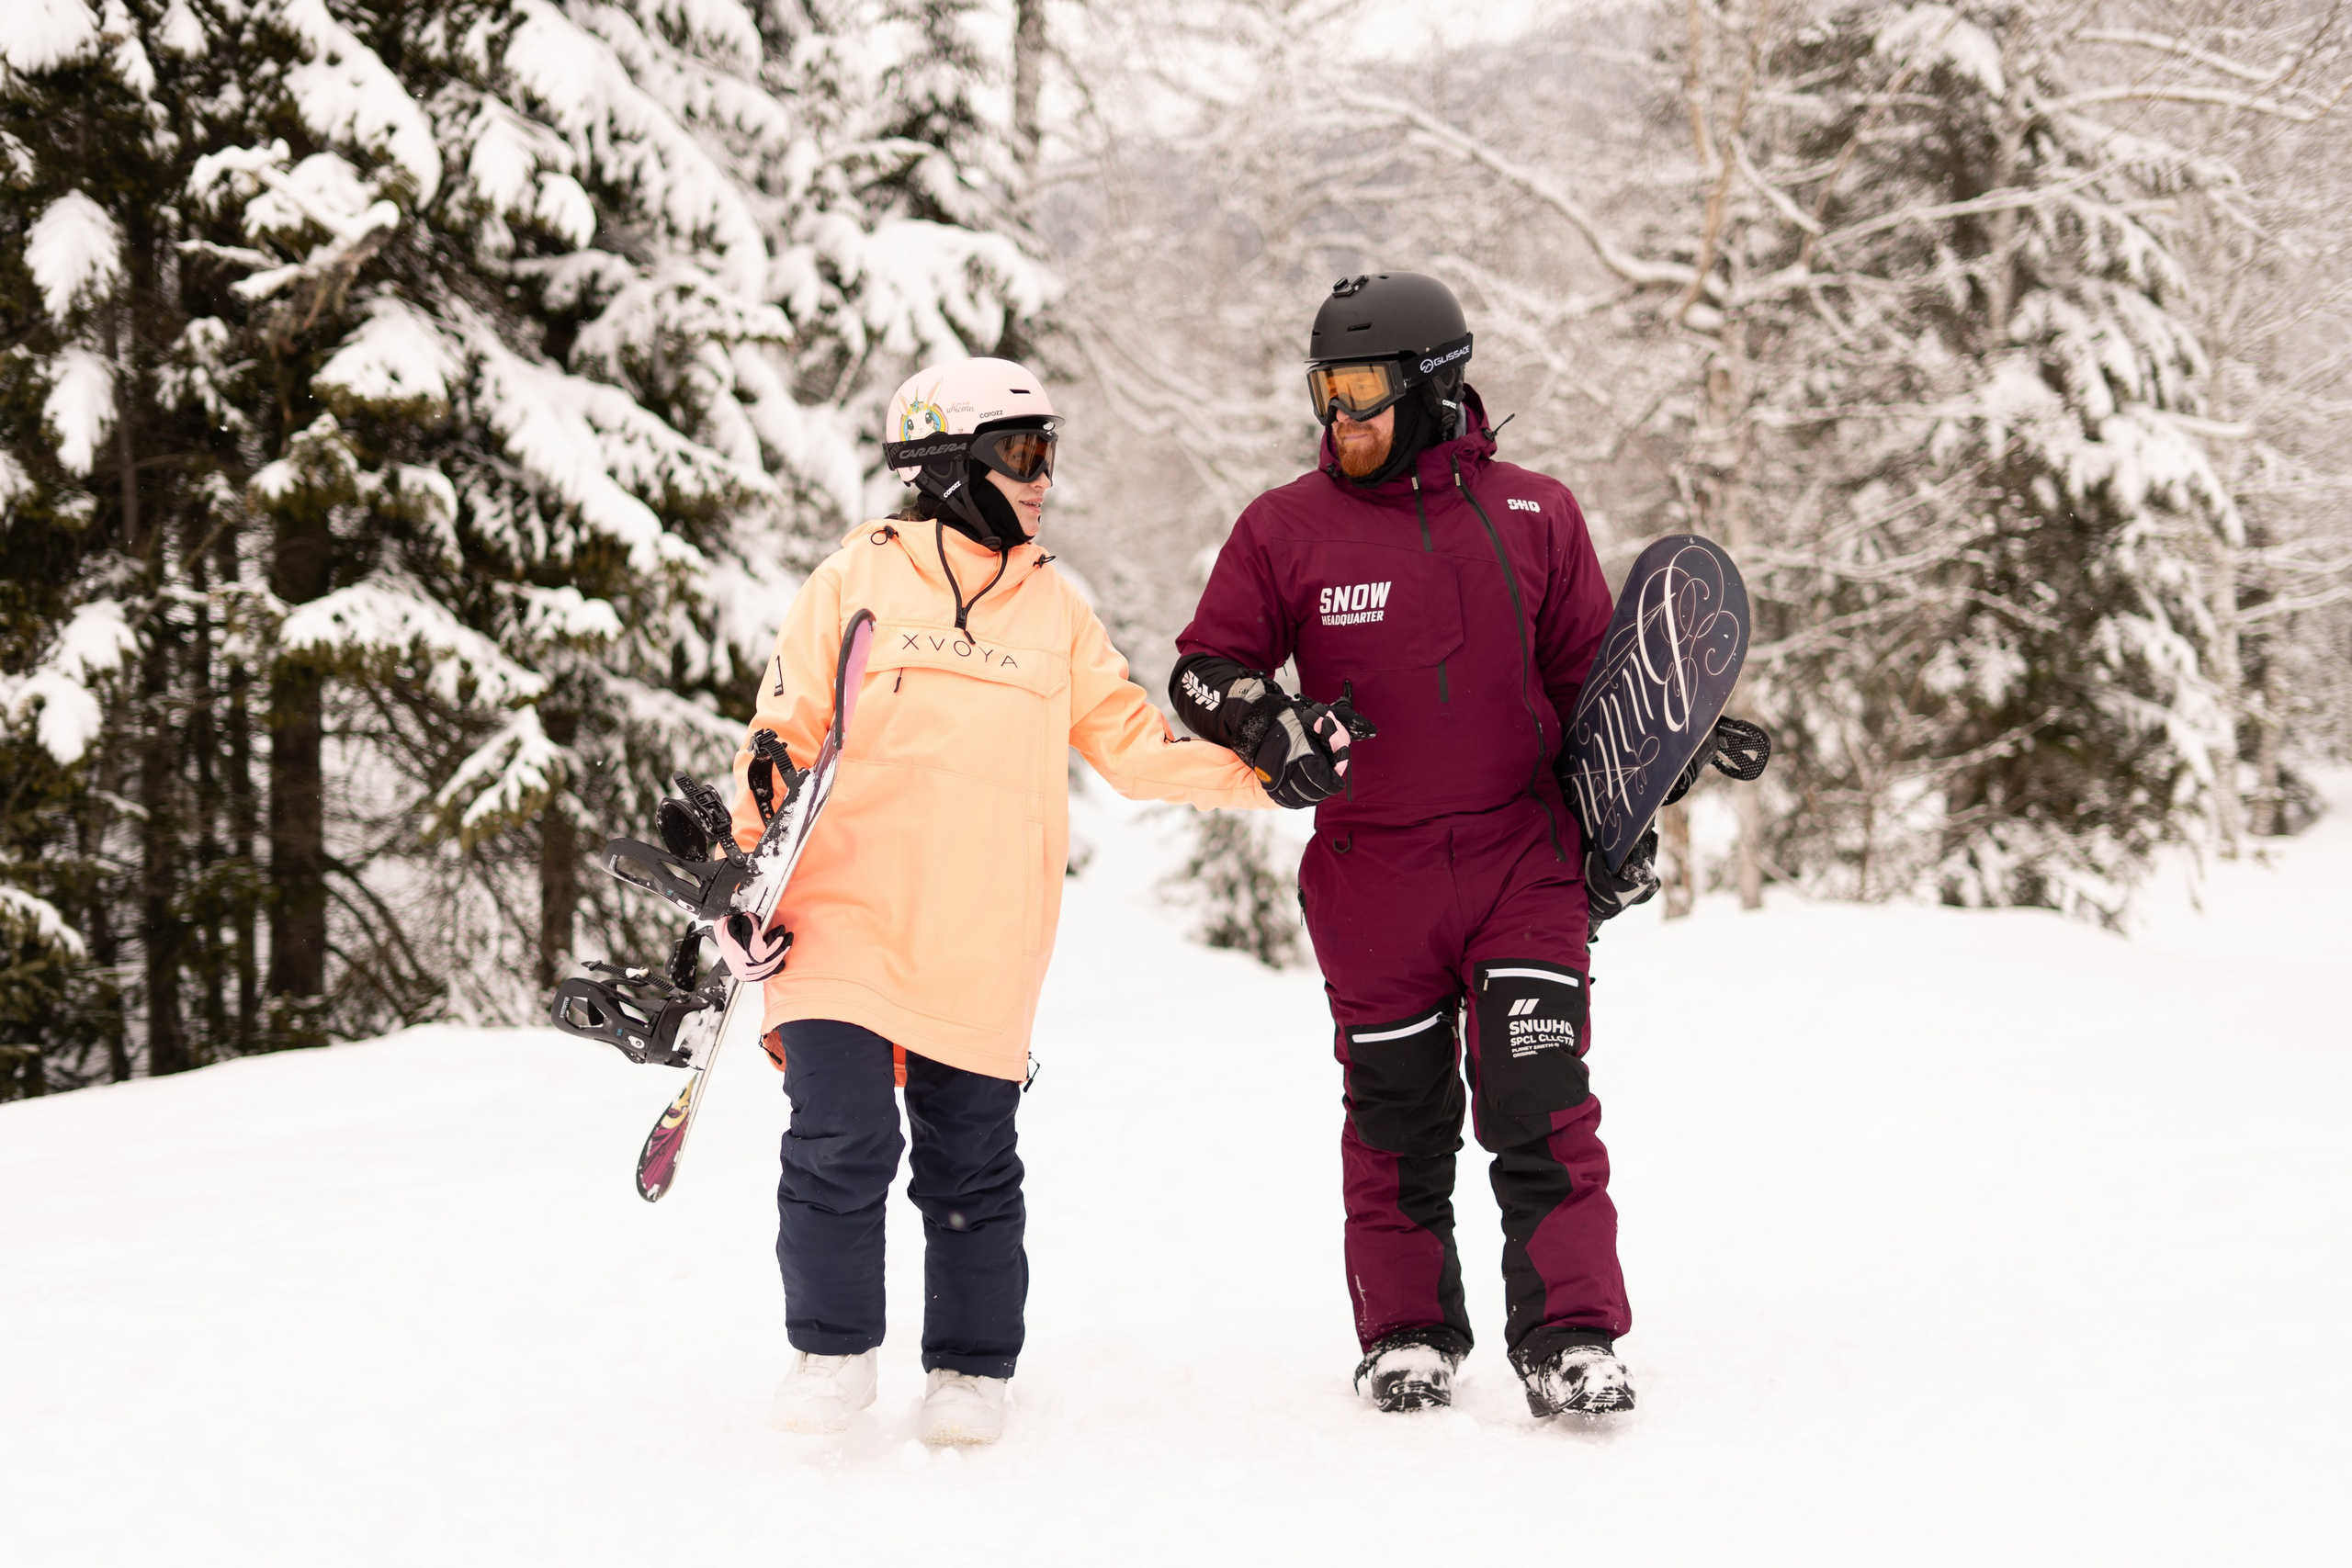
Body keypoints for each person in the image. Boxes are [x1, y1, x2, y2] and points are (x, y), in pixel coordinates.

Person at [716, 357, 1271, 1444]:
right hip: (839, 917)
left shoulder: (1056, 611)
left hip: (984, 932)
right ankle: (830, 1352)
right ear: (947, 461)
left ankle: (969, 1371)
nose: (1042, 480)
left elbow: (1139, 750)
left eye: (1048, 453)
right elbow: (777, 732)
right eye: (1024, 453)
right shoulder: (857, 579)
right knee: (841, 1136)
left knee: (970, 1157)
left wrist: (1268, 773)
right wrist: (749, 866)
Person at [1169, 273, 1653, 1417]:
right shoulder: (1284, 527)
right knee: (1397, 1117)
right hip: (1370, 876)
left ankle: (1571, 1335)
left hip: (1519, 861)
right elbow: (1202, 668)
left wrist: (1632, 811)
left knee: (1541, 1099)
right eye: (1323, 393)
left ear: (1435, 388)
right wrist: (1265, 722)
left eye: (1362, 393)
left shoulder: (1538, 513)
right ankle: (1408, 1333)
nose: (1338, 420)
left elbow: (1596, 692)